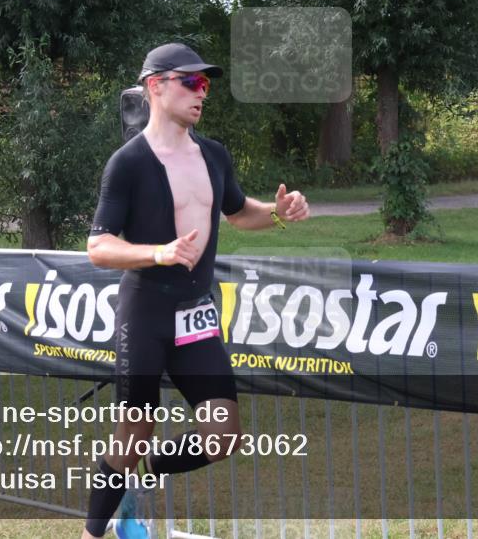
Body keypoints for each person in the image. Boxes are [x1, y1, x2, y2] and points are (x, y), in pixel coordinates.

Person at [83, 44, 310, 539]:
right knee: (132, 434)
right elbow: (98, 247)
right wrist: (158, 253)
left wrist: (277, 213)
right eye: (190, 81)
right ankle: (93, 534)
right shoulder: (128, 163)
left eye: (205, 84)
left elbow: (236, 212)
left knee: (223, 435)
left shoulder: (213, 154)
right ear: (155, 86)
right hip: (144, 315)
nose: (201, 92)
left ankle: (139, 483)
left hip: (196, 316)